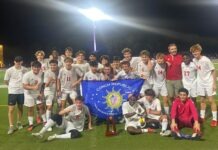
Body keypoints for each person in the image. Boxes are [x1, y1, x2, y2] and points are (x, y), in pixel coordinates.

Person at [190, 44, 217, 127]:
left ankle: (215, 119)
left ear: (200, 51)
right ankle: (202, 117)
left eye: (196, 51)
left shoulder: (206, 60)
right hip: (200, 83)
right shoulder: (194, 60)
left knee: (211, 100)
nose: (195, 53)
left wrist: (214, 83)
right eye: (193, 52)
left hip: (208, 82)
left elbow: (214, 71)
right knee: (202, 100)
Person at [4, 56, 28, 134]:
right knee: (11, 109)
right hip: (12, 92)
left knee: (20, 107)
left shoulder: (25, 70)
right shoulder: (9, 70)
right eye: (16, 61)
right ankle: (11, 126)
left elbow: (26, 80)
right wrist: (11, 87)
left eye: (19, 61)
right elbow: (6, 81)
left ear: (22, 62)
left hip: (21, 92)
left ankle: (19, 122)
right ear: (14, 62)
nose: (18, 63)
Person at [23, 61, 46, 131]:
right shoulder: (27, 75)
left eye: (38, 67)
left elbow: (43, 85)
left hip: (38, 93)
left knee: (41, 106)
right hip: (29, 94)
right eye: (35, 67)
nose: (36, 69)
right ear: (32, 67)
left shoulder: (42, 74)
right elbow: (24, 86)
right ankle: (31, 124)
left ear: (40, 68)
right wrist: (33, 88)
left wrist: (41, 93)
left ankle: (45, 121)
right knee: (31, 108)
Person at [43, 59, 59, 131]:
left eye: (54, 65)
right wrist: (50, 80)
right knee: (49, 106)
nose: (53, 66)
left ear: (57, 65)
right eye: (51, 65)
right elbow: (46, 85)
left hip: (57, 91)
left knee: (59, 105)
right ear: (50, 65)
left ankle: (56, 120)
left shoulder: (59, 71)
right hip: (49, 91)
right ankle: (48, 124)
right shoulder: (47, 72)